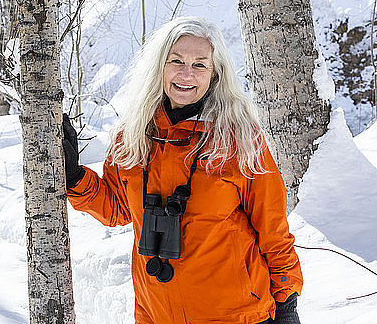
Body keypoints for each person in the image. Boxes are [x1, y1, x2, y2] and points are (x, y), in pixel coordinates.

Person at [62, 17, 302, 324]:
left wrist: (286, 303)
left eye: (200, 65)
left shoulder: (238, 138)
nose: (186, 74)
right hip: (156, 313)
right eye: (176, 61)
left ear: (215, 74)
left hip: (237, 315)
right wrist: (73, 175)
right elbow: (117, 208)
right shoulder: (133, 133)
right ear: (159, 66)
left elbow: (273, 227)